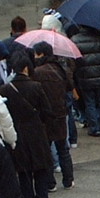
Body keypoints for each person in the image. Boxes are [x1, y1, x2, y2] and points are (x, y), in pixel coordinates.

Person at [1, 50, 55, 198]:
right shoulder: (36, 86)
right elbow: (47, 110)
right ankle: (42, 196)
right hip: (36, 129)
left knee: (23, 167)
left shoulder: (5, 89)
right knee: (40, 164)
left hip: (16, 129)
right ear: (26, 68)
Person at [31, 41, 75, 189]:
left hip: (45, 116)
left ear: (41, 54)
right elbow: (69, 86)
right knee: (63, 148)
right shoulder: (60, 68)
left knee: (47, 150)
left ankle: (50, 183)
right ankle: (68, 180)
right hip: (61, 113)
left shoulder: (37, 72)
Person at [69, 24, 100, 136]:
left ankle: (94, 128)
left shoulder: (74, 40)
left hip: (84, 77)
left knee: (90, 103)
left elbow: (72, 61)